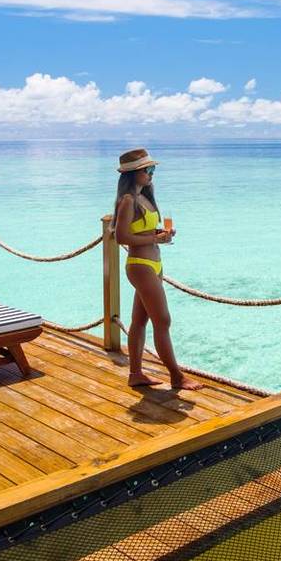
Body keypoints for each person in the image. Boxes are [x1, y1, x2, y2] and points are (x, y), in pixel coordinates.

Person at [112, 148, 204, 392]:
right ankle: (176, 376)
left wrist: (159, 234)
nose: (152, 174)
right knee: (162, 320)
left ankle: (135, 374)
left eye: (153, 169)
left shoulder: (145, 198)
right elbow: (121, 236)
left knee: (139, 321)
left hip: (154, 265)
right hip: (140, 266)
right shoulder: (129, 200)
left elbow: (139, 232)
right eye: (147, 170)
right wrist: (155, 240)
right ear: (134, 173)